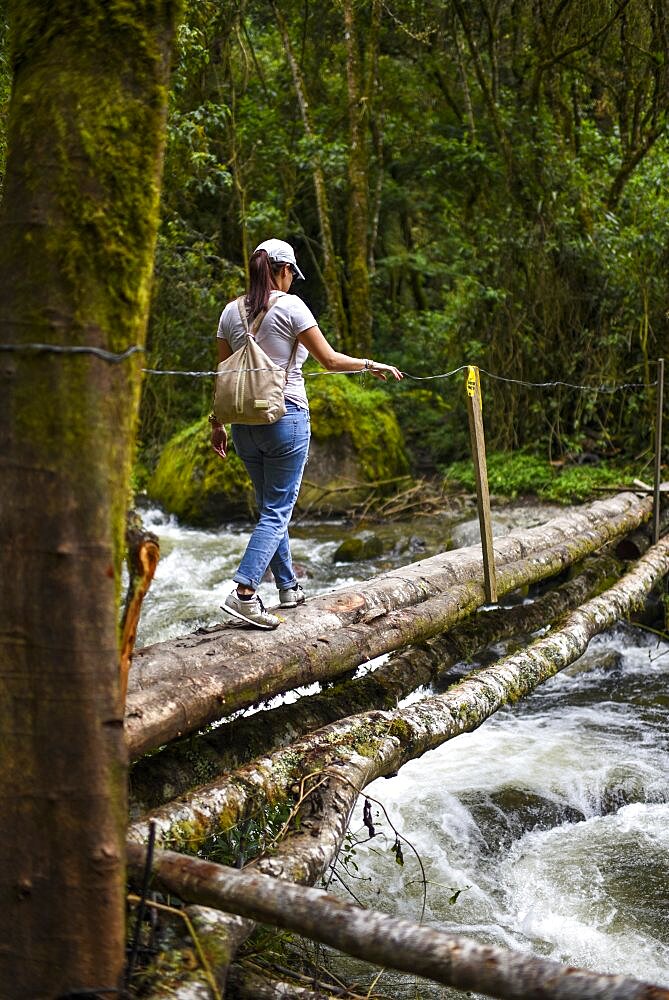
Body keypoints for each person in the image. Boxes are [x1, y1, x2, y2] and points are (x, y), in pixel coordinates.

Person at [213, 237, 403, 629]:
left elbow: (224, 377)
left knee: (270, 508)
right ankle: (244, 593)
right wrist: (370, 364)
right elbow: (330, 361)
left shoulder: (229, 313)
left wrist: (217, 424)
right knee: (278, 510)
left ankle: (288, 588)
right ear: (282, 270)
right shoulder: (292, 306)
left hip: (245, 426)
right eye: (291, 274)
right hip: (286, 417)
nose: (292, 281)